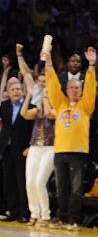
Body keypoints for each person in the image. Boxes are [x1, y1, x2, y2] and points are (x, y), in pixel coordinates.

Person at [44, 40, 97, 229]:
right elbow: (51, 84)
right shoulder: (60, 103)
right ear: (67, 90)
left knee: (76, 189)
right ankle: (61, 217)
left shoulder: (86, 105)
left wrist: (91, 65)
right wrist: (48, 61)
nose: (75, 90)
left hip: (78, 151)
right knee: (60, 189)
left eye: (77, 88)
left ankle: (74, 220)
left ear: (81, 90)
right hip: (60, 150)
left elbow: (91, 87)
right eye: (72, 87)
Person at [20, 73, 56, 226]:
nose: (42, 86)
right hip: (35, 147)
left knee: (40, 182)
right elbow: (23, 113)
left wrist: (46, 96)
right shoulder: (36, 111)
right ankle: (34, 213)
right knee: (30, 182)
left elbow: (49, 113)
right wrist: (28, 95)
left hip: (49, 148)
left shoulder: (55, 108)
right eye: (40, 83)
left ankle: (45, 215)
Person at [0, 76, 32, 222]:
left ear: (23, 91)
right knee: (9, 182)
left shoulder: (30, 107)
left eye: (18, 89)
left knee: (22, 182)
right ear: (8, 91)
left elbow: (33, 130)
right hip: (6, 149)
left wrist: (29, 147)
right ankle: (12, 212)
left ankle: (24, 213)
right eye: (12, 89)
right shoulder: (4, 106)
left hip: (22, 149)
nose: (16, 91)